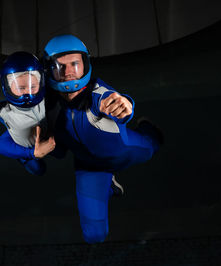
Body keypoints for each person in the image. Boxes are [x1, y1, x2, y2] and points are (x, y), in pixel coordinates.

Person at [42, 34, 163, 243]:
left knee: (153, 144)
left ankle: (146, 126)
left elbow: (113, 100)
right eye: (60, 66)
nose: (69, 72)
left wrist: (125, 106)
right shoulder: (48, 105)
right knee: (94, 235)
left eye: (75, 64)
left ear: (85, 63)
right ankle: (108, 183)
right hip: (88, 167)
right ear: (48, 70)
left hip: (123, 151)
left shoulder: (97, 92)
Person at [0, 51, 55, 176]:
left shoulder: (45, 97)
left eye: (32, 86)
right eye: (21, 88)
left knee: (60, 152)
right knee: (39, 170)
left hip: (43, 132)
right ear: (8, 87)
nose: (27, 92)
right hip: (25, 146)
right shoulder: (4, 109)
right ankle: (23, 157)